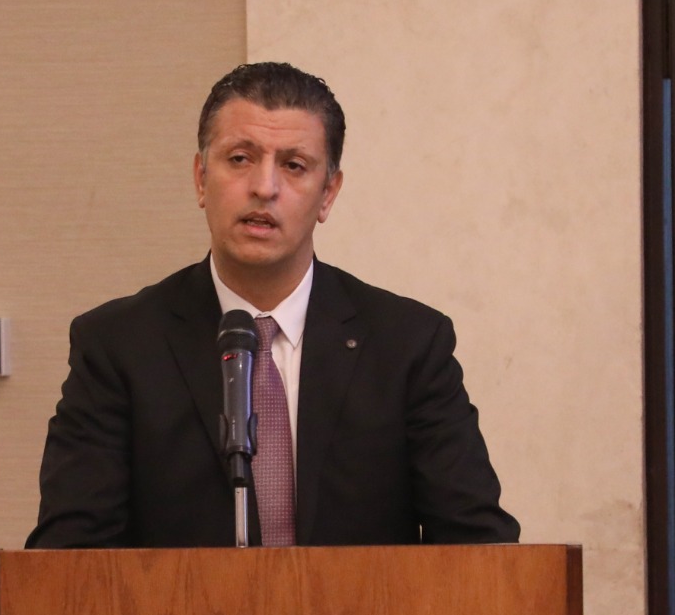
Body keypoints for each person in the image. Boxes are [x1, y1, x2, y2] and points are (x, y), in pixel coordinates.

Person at [29, 61, 518, 548]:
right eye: (240, 158)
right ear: (201, 179)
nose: (264, 187)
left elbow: (479, 547)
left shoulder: (407, 345)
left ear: (327, 194)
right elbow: (67, 560)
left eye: (294, 165)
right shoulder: (118, 346)